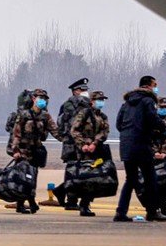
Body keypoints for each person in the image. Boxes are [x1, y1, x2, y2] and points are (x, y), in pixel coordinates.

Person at [114, 76, 166, 222]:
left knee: (131, 179)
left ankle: (121, 212)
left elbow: (119, 124)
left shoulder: (127, 103)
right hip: (141, 144)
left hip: (126, 145)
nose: (156, 88)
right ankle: (153, 211)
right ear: (148, 86)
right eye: (155, 85)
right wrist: (163, 127)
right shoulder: (148, 101)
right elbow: (152, 119)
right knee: (150, 178)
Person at [9, 89, 61, 215]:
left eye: (44, 98)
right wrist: (15, 150)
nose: (42, 100)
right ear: (33, 98)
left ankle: (24, 203)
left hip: (36, 151)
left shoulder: (45, 116)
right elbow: (16, 134)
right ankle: (28, 203)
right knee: (24, 178)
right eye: (40, 97)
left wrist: (68, 140)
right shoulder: (24, 114)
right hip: (23, 151)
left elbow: (55, 131)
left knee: (32, 178)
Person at [68, 91, 110, 217]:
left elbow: (105, 131)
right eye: (99, 99)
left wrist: (95, 143)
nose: (101, 102)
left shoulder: (103, 116)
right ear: (92, 101)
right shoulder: (84, 113)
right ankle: (80, 203)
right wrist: (83, 145)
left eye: (102, 99)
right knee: (84, 178)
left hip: (96, 150)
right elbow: (74, 130)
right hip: (84, 151)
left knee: (95, 178)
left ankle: (86, 203)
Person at [53, 78, 90, 209]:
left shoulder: (85, 104)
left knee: (80, 171)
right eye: (83, 90)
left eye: (86, 90)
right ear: (76, 91)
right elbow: (69, 124)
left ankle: (62, 191)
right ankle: (71, 200)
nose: (86, 93)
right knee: (74, 171)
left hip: (79, 143)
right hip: (73, 143)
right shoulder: (70, 105)